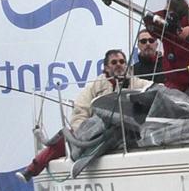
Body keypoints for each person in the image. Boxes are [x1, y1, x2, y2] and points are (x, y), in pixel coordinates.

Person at [16, 49, 149, 181]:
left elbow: (156, 90)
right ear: (106, 68)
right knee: (63, 139)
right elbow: (80, 113)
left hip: (130, 133)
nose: (119, 65)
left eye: (122, 62)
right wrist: (84, 136)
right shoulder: (93, 88)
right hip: (97, 135)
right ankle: (32, 170)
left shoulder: (138, 84)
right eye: (114, 62)